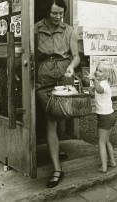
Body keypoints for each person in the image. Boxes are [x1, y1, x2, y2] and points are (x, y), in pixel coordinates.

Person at [34, 0, 80, 188]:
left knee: (62, 117)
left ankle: (57, 146)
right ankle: (57, 168)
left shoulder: (69, 30)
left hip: (64, 78)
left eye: (61, 13)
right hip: (43, 81)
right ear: (47, 12)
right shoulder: (35, 29)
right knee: (50, 119)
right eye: (54, 13)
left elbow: (76, 56)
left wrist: (70, 67)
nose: (58, 17)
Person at [89, 59, 117, 173]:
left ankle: (104, 167)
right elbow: (97, 92)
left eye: (100, 71)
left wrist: (93, 80)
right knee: (106, 140)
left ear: (106, 74)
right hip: (109, 115)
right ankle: (112, 162)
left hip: (105, 117)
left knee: (101, 142)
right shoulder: (102, 83)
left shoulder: (104, 84)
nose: (96, 72)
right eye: (96, 69)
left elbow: (100, 90)